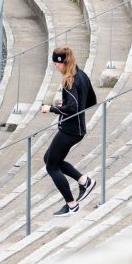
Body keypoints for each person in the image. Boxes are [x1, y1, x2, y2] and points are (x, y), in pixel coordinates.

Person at [39, 46, 97, 217]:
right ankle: (84, 181)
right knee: (48, 158)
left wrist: (52, 109)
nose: (55, 67)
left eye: (55, 64)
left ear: (61, 63)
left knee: (51, 166)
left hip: (70, 130)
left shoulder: (69, 80)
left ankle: (71, 205)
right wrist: (65, 107)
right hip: (77, 128)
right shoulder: (82, 75)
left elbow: (72, 108)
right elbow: (91, 101)